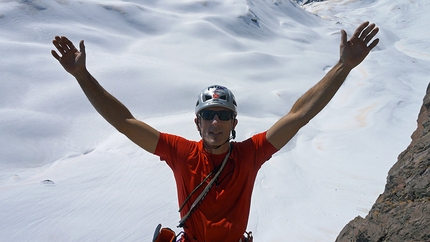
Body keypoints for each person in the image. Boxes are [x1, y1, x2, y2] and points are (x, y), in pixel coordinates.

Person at [51, 21, 379, 242]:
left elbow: (299, 114)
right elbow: (124, 122)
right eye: (208, 114)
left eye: (223, 115)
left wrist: (343, 67)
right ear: (198, 122)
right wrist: (82, 76)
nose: (216, 122)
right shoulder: (180, 153)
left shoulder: (250, 154)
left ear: (234, 123)